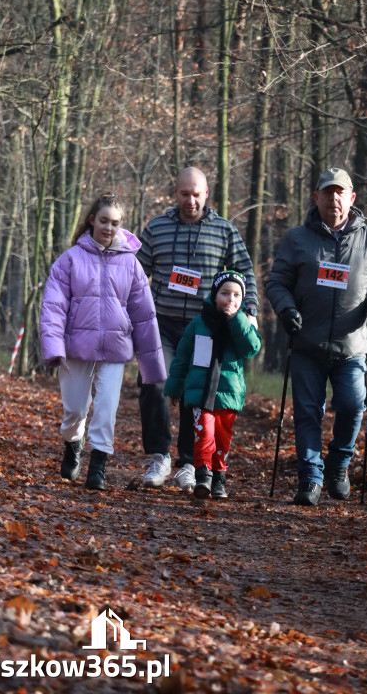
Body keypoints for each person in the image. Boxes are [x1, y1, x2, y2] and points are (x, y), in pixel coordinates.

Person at [265, 168, 367, 506]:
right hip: (307, 344)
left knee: (353, 405)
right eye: (328, 192)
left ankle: (338, 464)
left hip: (351, 346)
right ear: (316, 197)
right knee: (308, 413)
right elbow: (276, 281)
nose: (334, 198)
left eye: (341, 193)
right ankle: (310, 478)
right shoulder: (297, 239)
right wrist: (287, 309)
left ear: (351, 199)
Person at [136, 166, 259, 491]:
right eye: (184, 194)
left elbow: (244, 271)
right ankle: (159, 456)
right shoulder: (157, 228)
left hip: (205, 331)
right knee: (154, 382)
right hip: (162, 324)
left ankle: (189, 463)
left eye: (196, 194)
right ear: (175, 194)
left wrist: (250, 311)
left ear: (206, 195)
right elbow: (135, 274)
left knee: (197, 390)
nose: (190, 200)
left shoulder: (224, 231)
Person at [39, 193, 166, 491]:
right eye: (104, 221)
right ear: (92, 220)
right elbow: (53, 307)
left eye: (116, 223)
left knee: (106, 407)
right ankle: (73, 443)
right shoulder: (69, 260)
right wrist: (54, 348)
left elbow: (144, 316)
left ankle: (98, 465)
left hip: (115, 347)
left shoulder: (131, 265)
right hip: (76, 346)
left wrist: (152, 366)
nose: (109, 228)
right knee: (74, 410)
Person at [164, 270, 261, 499]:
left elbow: (251, 348)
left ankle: (219, 479)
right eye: (225, 293)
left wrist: (236, 319)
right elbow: (182, 358)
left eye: (237, 295)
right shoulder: (199, 323)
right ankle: (203, 476)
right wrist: (175, 389)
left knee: (222, 438)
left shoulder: (242, 323)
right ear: (215, 295)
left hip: (229, 393)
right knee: (204, 433)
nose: (231, 299)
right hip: (201, 392)